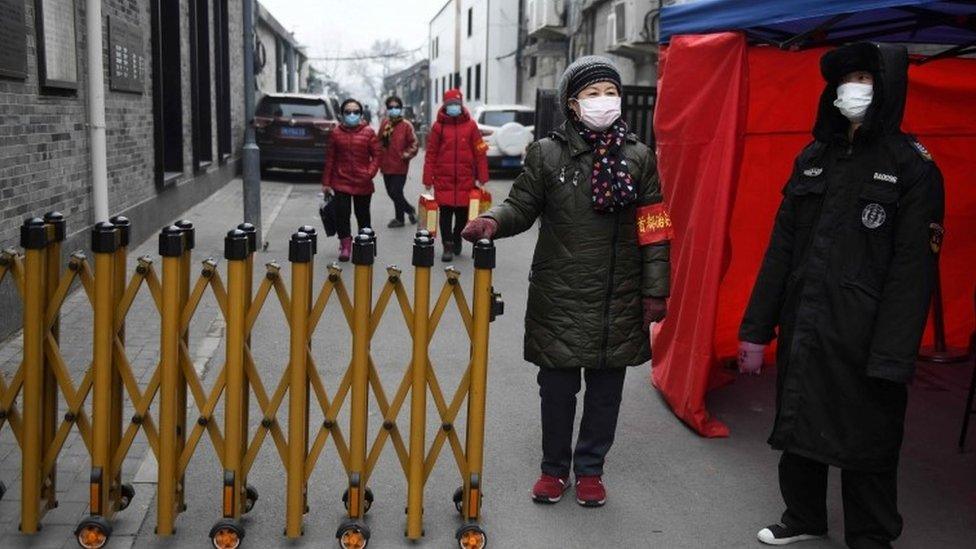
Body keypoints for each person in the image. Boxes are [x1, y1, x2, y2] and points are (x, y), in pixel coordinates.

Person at [737, 42, 944, 548]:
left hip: (868, 331)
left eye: (867, 78)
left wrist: (893, 356)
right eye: (848, 78)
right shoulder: (813, 158)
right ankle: (803, 515)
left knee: (868, 439)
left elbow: (912, 273)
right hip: (806, 320)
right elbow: (780, 250)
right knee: (799, 421)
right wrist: (755, 331)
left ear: (889, 88)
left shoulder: (912, 167)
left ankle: (871, 535)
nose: (854, 88)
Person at [461, 56, 671, 507]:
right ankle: (554, 470)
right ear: (573, 105)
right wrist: (492, 222)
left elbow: (654, 228)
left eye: (610, 92)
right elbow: (519, 206)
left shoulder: (639, 157)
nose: (605, 102)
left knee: (605, 393)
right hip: (560, 293)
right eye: (593, 94)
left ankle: (590, 470)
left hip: (619, 294)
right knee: (556, 390)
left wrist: (656, 289)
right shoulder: (546, 153)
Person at [423, 89, 489, 262]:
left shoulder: (471, 126)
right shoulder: (438, 127)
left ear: (461, 105)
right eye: (450, 104)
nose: (454, 107)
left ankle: (457, 236)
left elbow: (480, 152)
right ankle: (447, 246)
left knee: (462, 215)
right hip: (443, 179)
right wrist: (427, 179)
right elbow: (431, 153)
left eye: (456, 104)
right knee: (445, 215)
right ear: (445, 105)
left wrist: (482, 178)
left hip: (465, 179)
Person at [322, 98, 381, 261]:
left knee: (363, 216)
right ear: (342, 114)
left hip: (363, 181)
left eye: (355, 112)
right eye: (348, 112)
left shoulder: (369, 132)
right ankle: (346, 246)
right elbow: (330, 159)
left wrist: (369, 173)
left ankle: (364, 244)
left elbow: (377, 155)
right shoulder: (335, 133)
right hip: (341, 181)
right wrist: (326, 183)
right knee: (342, 215)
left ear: (361, 114)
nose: (352, 115)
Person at [378, 95, 419, 228]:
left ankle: (404, 215)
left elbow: (414, 144)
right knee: (392, 193)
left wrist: (405, 155)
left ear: (400, 109)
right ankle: (405, 213)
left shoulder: (406, 125)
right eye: (391, 107)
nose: (393, 109)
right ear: (387, 109)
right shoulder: (385, 124)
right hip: (386, 165)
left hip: (400, 165)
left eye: (396, 107)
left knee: (396, 192)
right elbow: (378, 142)